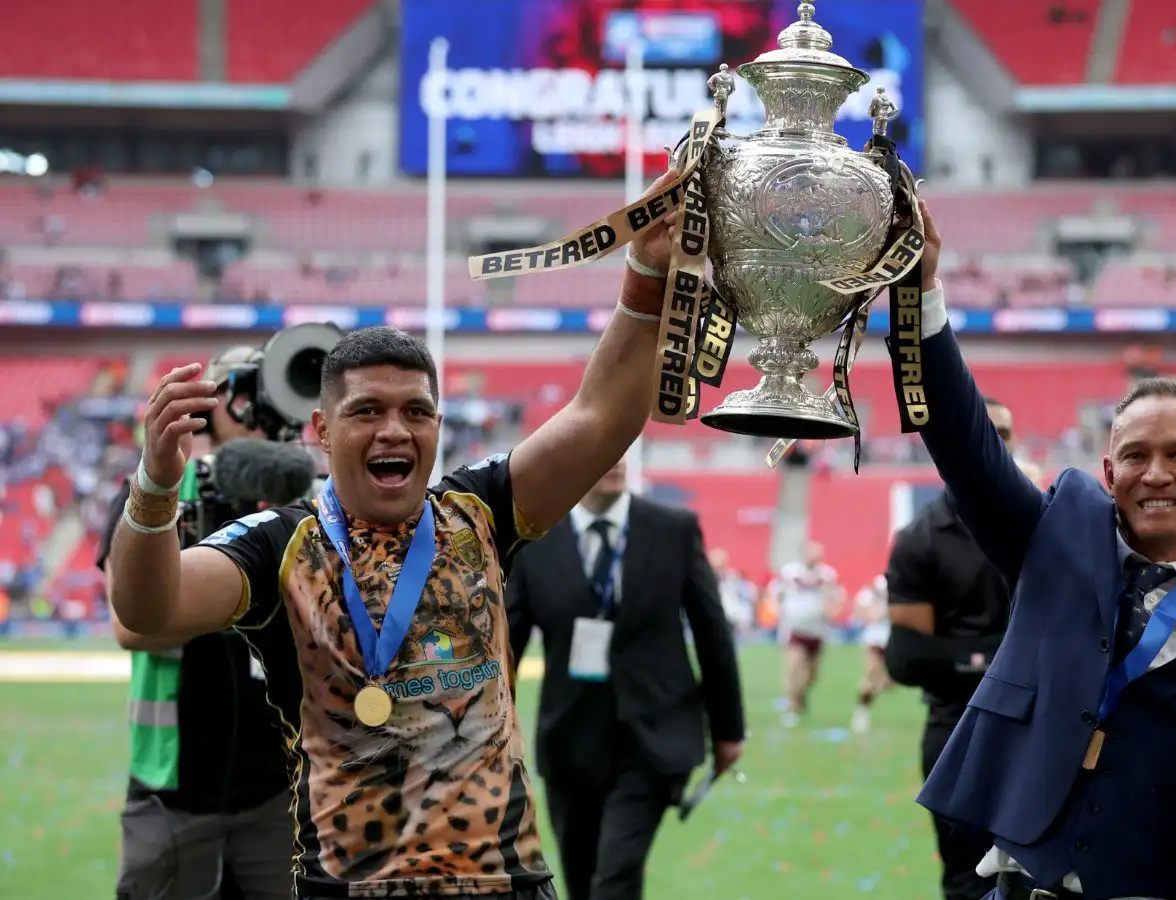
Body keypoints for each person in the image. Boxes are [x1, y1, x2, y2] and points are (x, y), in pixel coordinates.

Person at [103, 175, 681, 900]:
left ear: (439, 425)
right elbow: (149, 608)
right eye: (367, 410)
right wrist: (156, 486)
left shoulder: (480, 512)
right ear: (320, 431)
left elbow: (599, 418)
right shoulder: (276, 545)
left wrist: (649, 269)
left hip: (505, 884)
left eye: (417, 411)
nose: (394, 430)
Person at [909, 200, 1176, 900]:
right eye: (1136, 456)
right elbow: (966, 449)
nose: (1156, 474)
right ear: (1108, 474)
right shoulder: (1056, 541)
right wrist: (922, 297)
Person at [96, 345, 298, 900]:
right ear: (208, 405)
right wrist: (243, 599)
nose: (257, 408)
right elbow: (129, 625)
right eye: (242, 390)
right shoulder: (153, 492)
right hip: (173, 791)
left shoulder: (304, 502)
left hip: (282, 791)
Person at [501, 456, 745, 900]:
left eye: (620, 450)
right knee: (581, 877)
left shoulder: (673, 529)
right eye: (600, 449)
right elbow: (505, 648)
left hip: (654, 736)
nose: (611, 460)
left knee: (615, 877)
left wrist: (728, 731)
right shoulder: (535, 539)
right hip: (570, 742)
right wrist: (486, 731)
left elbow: (712, 632)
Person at [883, 394, 1019, 900]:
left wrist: (969, 655)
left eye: (1003, 434)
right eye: (986, 431)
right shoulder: (921, 538)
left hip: (1041, 730)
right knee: (968, 881)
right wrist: (1014, 656)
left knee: (1049, 878)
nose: (994, 444)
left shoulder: (1045, 521)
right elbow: (909, 657)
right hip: (957, 731)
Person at [770, 539, 842, 728]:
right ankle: (792, 708)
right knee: (794, 668)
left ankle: (800, 697)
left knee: (811, 675)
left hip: (818, 631)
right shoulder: (789, 572)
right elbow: (775, 593)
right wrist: (779, 612)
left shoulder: (828, 575)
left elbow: (836, 598)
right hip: (795, 627)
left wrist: (831, 608)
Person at [850, 574, 892, 733]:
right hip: (877, 637)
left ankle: (884, 682)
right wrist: (874, 614)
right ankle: (862, 711)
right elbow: (861, 605)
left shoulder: (908, 581)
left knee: (888, 681)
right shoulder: (878, 583)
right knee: (871, 674)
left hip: (896, 639)